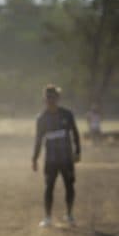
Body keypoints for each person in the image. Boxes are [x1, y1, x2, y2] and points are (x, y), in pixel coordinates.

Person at [32, 85, 81, 227]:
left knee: (69, 186)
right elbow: (38, 140)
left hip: (67, 159)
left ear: (58, 98)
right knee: (49, 186)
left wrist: (77, 152)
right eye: (48, 97)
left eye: (53, 97)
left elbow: (75, 134)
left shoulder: (67, 114)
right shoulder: (41, 119)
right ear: (44, 99)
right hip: (51, 160)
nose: (50, 100)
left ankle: (69, 214)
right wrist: (35, 158)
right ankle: (47, 217)